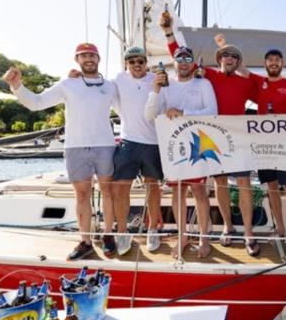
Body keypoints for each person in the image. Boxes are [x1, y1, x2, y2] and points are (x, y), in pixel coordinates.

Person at [3, 43, 118, 260]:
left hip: (105, 145)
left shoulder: (110, 86)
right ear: (77, 60)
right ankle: (85, 242)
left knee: (108, 192)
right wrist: (17, 86)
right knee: (82, 195)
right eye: (83, 56)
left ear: (99, 58)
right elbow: (37, 103)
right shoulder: (67, 84)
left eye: (92, 55)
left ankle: (109, 235)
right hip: (76, 146)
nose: (88, 59)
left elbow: (128, 108)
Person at [160, 13, 261, 257]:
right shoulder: (209, 75)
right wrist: (168, 32)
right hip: (214, 137)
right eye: (225, 55)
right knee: (220, 185)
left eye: (234, 56)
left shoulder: (247, 81)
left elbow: (266, 90)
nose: (229, 58)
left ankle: (248, 234)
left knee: (245, 187)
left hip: (238, 138)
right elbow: (180, 56)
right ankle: (227, 227)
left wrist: (248, 69)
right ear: (218, 60)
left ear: (239, 61)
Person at [145, 45, 218, 258]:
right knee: (177, 192)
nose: (184, 62)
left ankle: (204, 238)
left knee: (199, 192)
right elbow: (151, 115)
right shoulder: (166, 86)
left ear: (192, 62)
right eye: (180, 59)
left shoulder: (203, 83)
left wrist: (183, 113)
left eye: (188, 58)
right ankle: (182, 236)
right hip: (174, 147)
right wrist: (156, 89)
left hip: (198, 144)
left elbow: (212, 111)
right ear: (174, 63)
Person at [247, 46, 286, 255]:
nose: (274, 62)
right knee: (271, 188)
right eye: (270, 59)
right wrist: (222, 46)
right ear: (265, 63)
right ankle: (281, 229)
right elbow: (240, 69)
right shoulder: (259, 82)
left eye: (277, 59)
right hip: (264, 146)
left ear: (282, 63)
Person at [110, 46, 164, 256]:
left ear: (146, 62)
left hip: (152, 142)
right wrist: (77, 77)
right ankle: (122, 232)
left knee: (153, 187)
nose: (136, 65)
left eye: (140, 61)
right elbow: (100, 88)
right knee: (121, 188)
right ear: (126, 64)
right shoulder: (119, 80)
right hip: (128, 141)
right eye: (132, 61)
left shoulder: (157, 79)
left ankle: (152, 229)